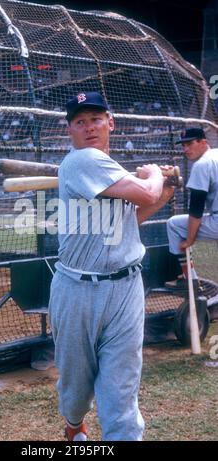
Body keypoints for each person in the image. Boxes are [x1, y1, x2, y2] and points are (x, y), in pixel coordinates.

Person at [48, 91, 175, 441]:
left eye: (95, 119)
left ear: (111, 123)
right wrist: (155, 177)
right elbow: (147, 193)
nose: (89, 127)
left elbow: (130, 219)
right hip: (77, 289)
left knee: (121, 390)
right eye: (80, 122)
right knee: (75, 386)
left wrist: (164, 191)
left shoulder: (111, 169)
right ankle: (74, 425)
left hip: (125, 288)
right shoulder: (81, 161)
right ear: (70, 131)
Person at [166, 127, 218, 289]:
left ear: (203, 142)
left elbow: (196, 210)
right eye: (183, 145)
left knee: (174, 225)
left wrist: (189, 240)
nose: (185, 149)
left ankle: (190, 279)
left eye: (189, 144)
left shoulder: (202, 164)